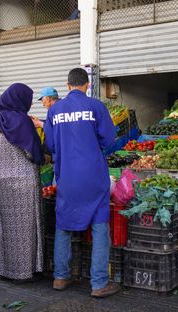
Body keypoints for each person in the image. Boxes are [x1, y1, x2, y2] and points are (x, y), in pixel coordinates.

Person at [44, 68, 118, 297]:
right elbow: (108, 139)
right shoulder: (96, 107)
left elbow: (51, 146)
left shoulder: (54, 110)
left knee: (64, 227)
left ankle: (60, 277)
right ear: (87, 85)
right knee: (99, 228)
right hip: (94, 177)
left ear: (67, 86)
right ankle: (98, 284)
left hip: (66, 177)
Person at [0, 83, 45, 281]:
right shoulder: (21, 121)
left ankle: (7, 269)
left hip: (3, 180)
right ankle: (25, 271)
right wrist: (42, 156)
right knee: (27, 227)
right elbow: (31, 151)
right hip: (24, 180)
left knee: (7, 227)